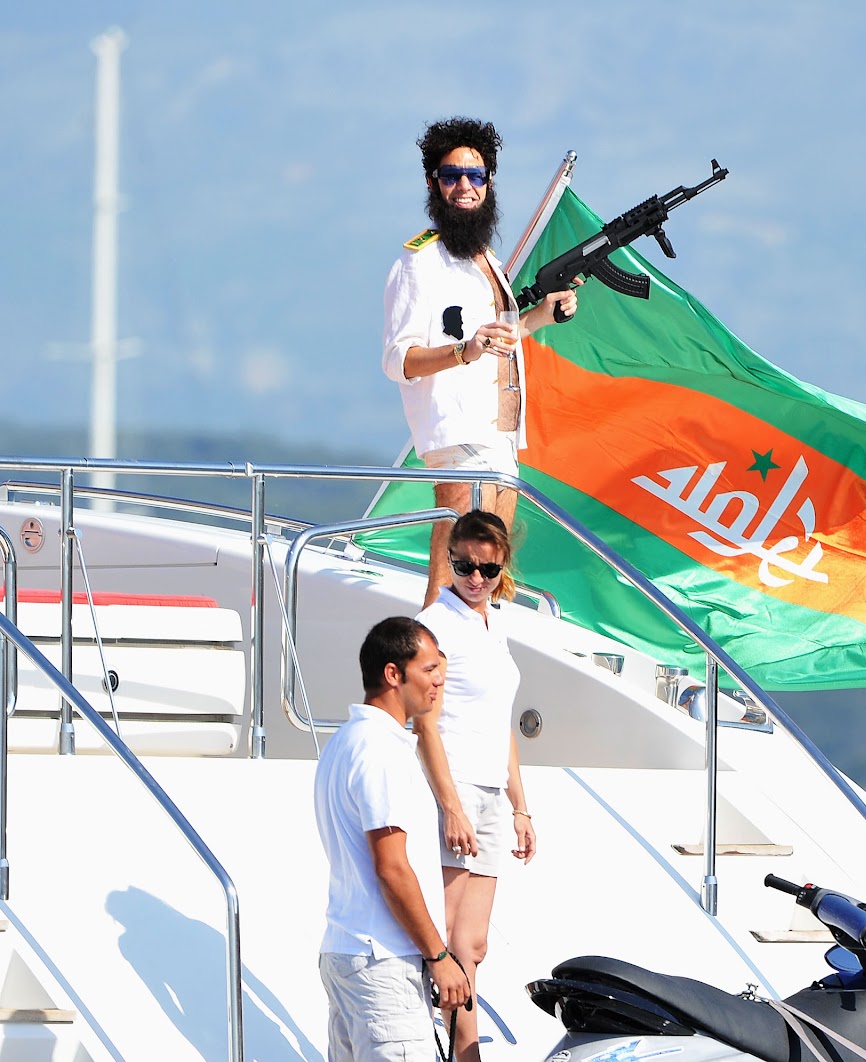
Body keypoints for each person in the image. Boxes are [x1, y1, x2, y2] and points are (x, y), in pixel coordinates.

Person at [382, 116, 580, 607]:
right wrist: (463, 351)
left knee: (489, 574)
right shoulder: (419, 261)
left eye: (475, 175)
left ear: (490, 182)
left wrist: (541, 316)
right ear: (433, 183)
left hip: (502, 436)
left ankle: (479, 644)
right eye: (451, 176)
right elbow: (398, 359)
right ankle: (433, 647)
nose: (464, 186)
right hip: (457, 434)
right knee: (452, 575)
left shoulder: (486, 259)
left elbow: (501, 339)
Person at [315, 616, 471, 1062]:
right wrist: (439, 957)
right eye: (429, 669)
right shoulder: (380, 749)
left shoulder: (345, 742)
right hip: (381, 962)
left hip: (349, 952)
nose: (439, 680)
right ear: (392, 674)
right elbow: (392, 868)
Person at [413, 510, 535, 1062]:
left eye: (488, 569)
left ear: (502, 566)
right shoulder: (436, 625)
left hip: (489, 792)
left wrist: (520, 807)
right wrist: (451, 807)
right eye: (464, 566)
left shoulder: (494, 621)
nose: (476, 578)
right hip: (455, 785)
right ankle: (451, 1049)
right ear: (450, 560)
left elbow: (500, 719)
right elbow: (425, 724)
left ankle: (463, 1052)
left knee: (474, 943)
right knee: (445, 938)